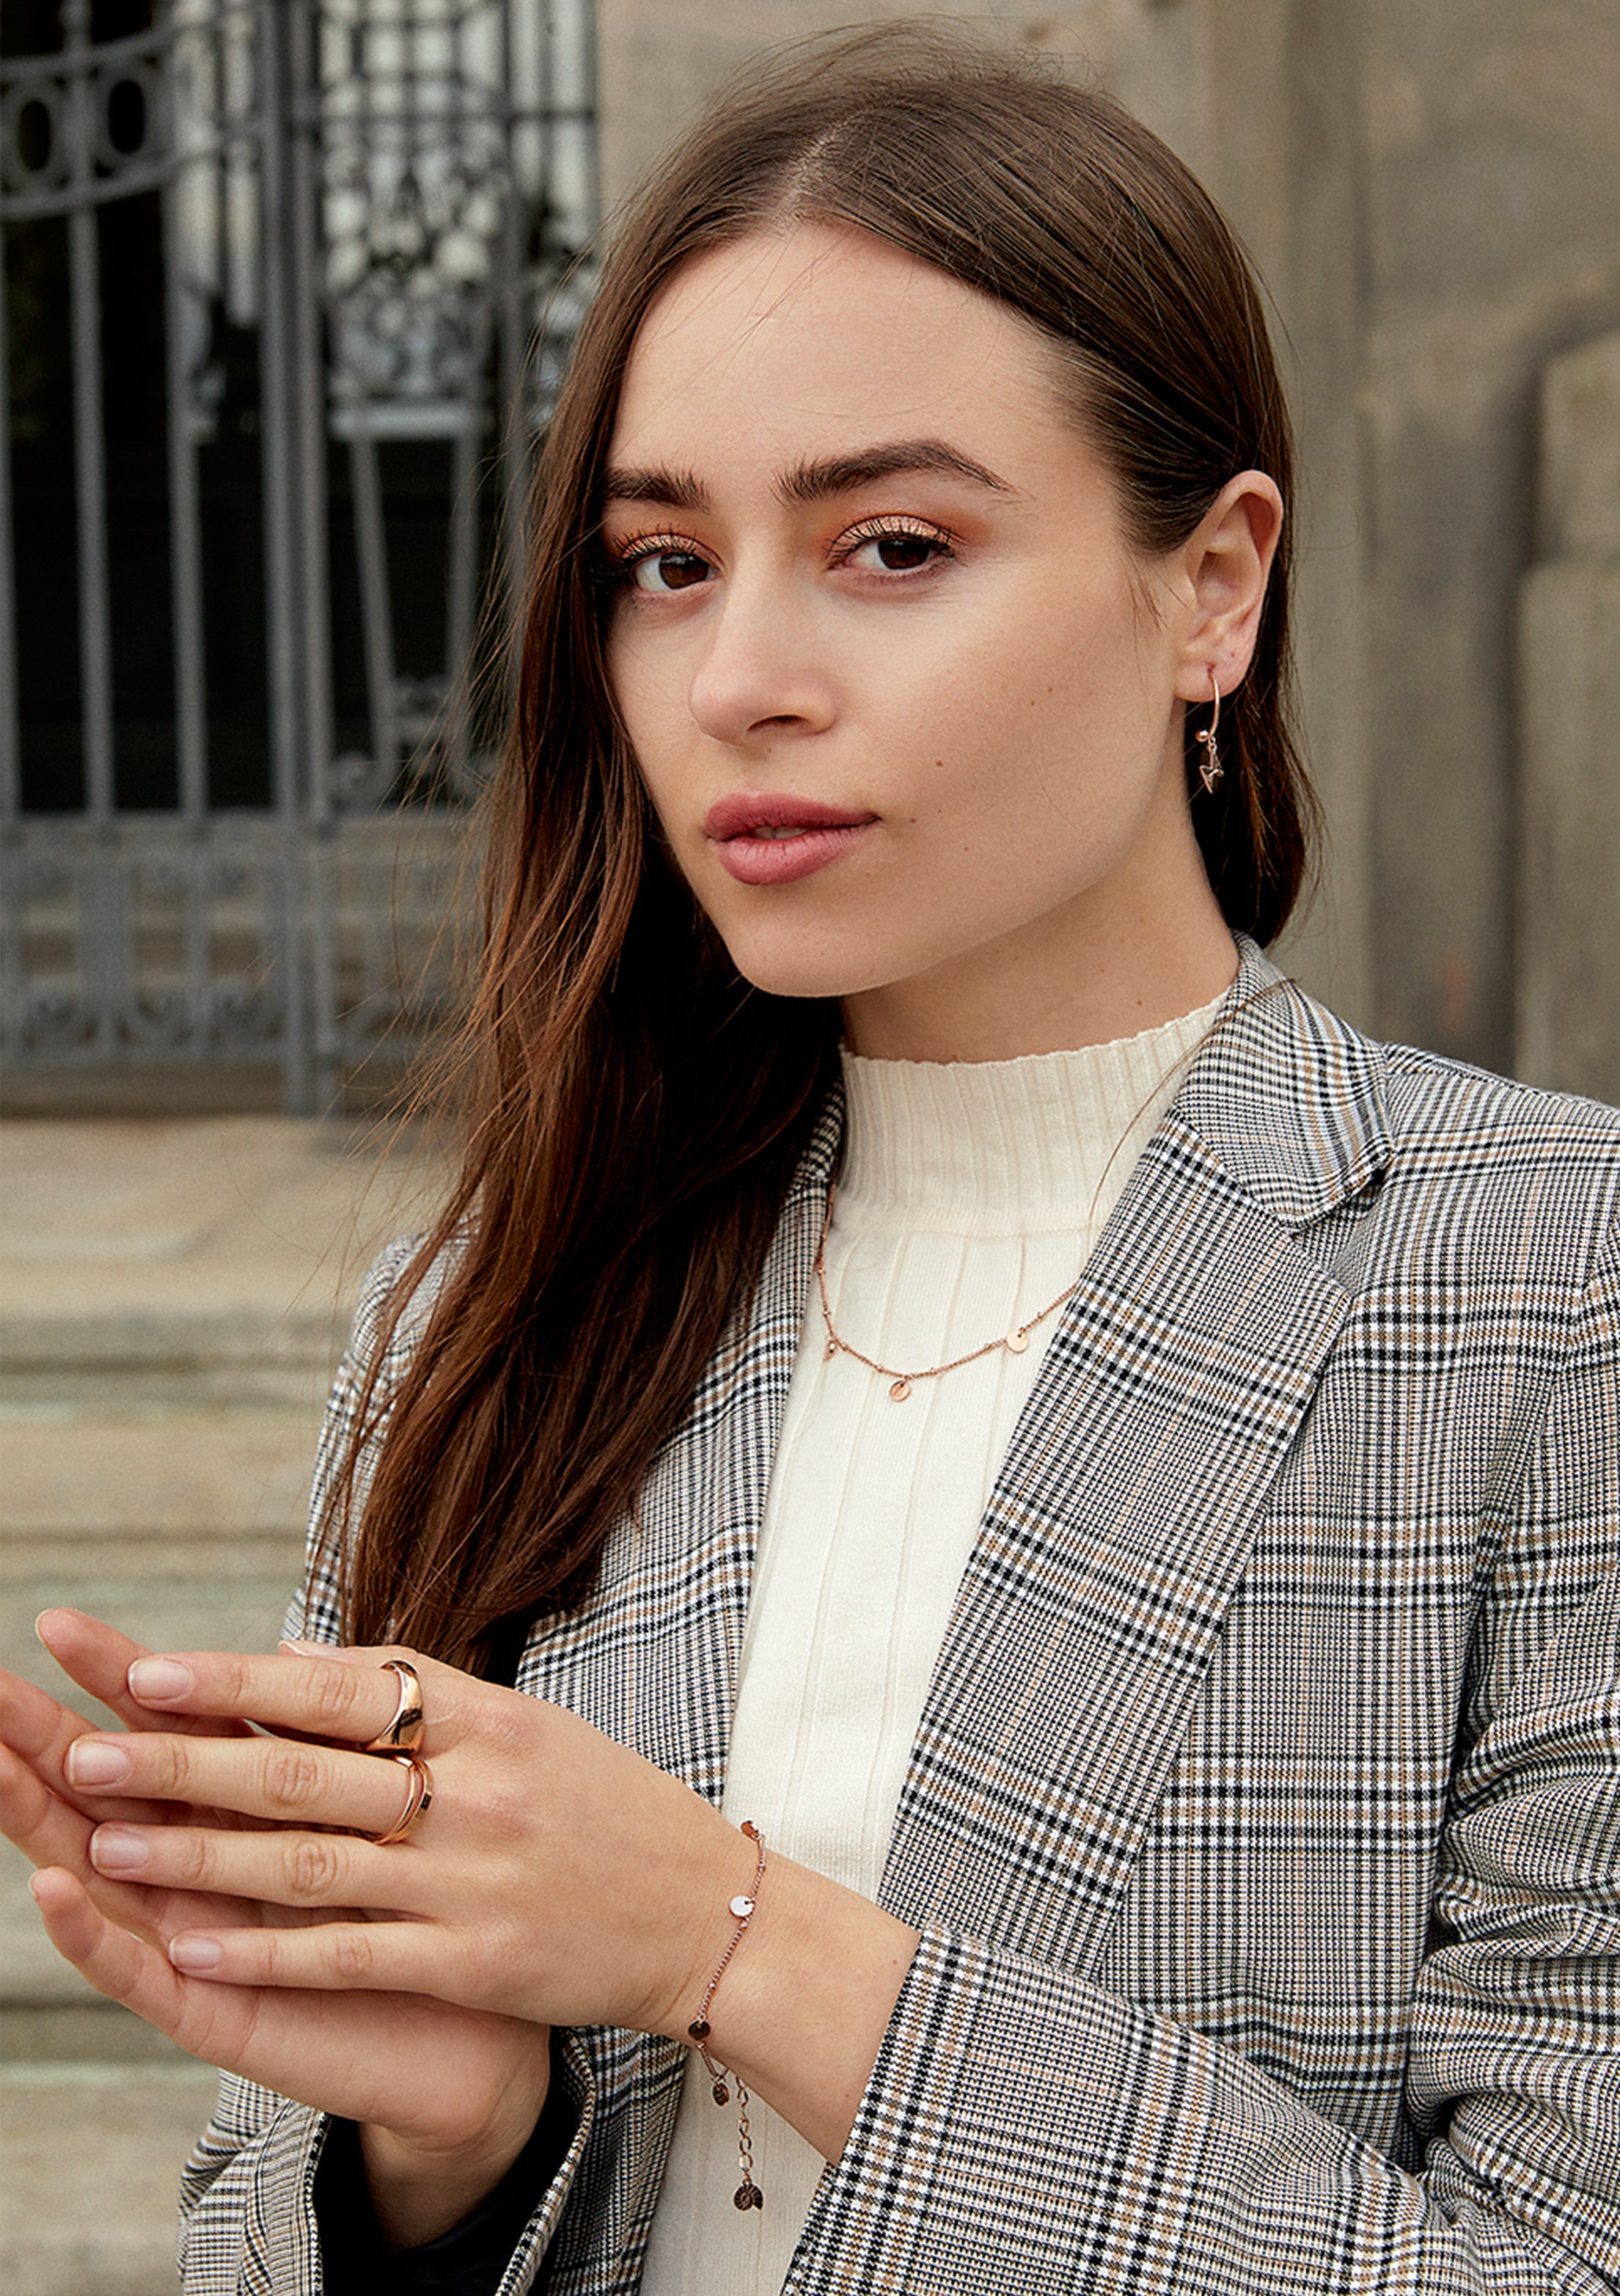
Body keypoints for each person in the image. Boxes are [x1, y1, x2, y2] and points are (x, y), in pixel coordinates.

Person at [2, 26, 1618, 2295]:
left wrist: (722, 1941)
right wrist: (445, 2150)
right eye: (662, 562)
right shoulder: (488, 1316)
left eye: (888, 543)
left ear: (1212, 586)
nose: (737, 674)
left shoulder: (1546, 1284)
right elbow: (250, 2239)